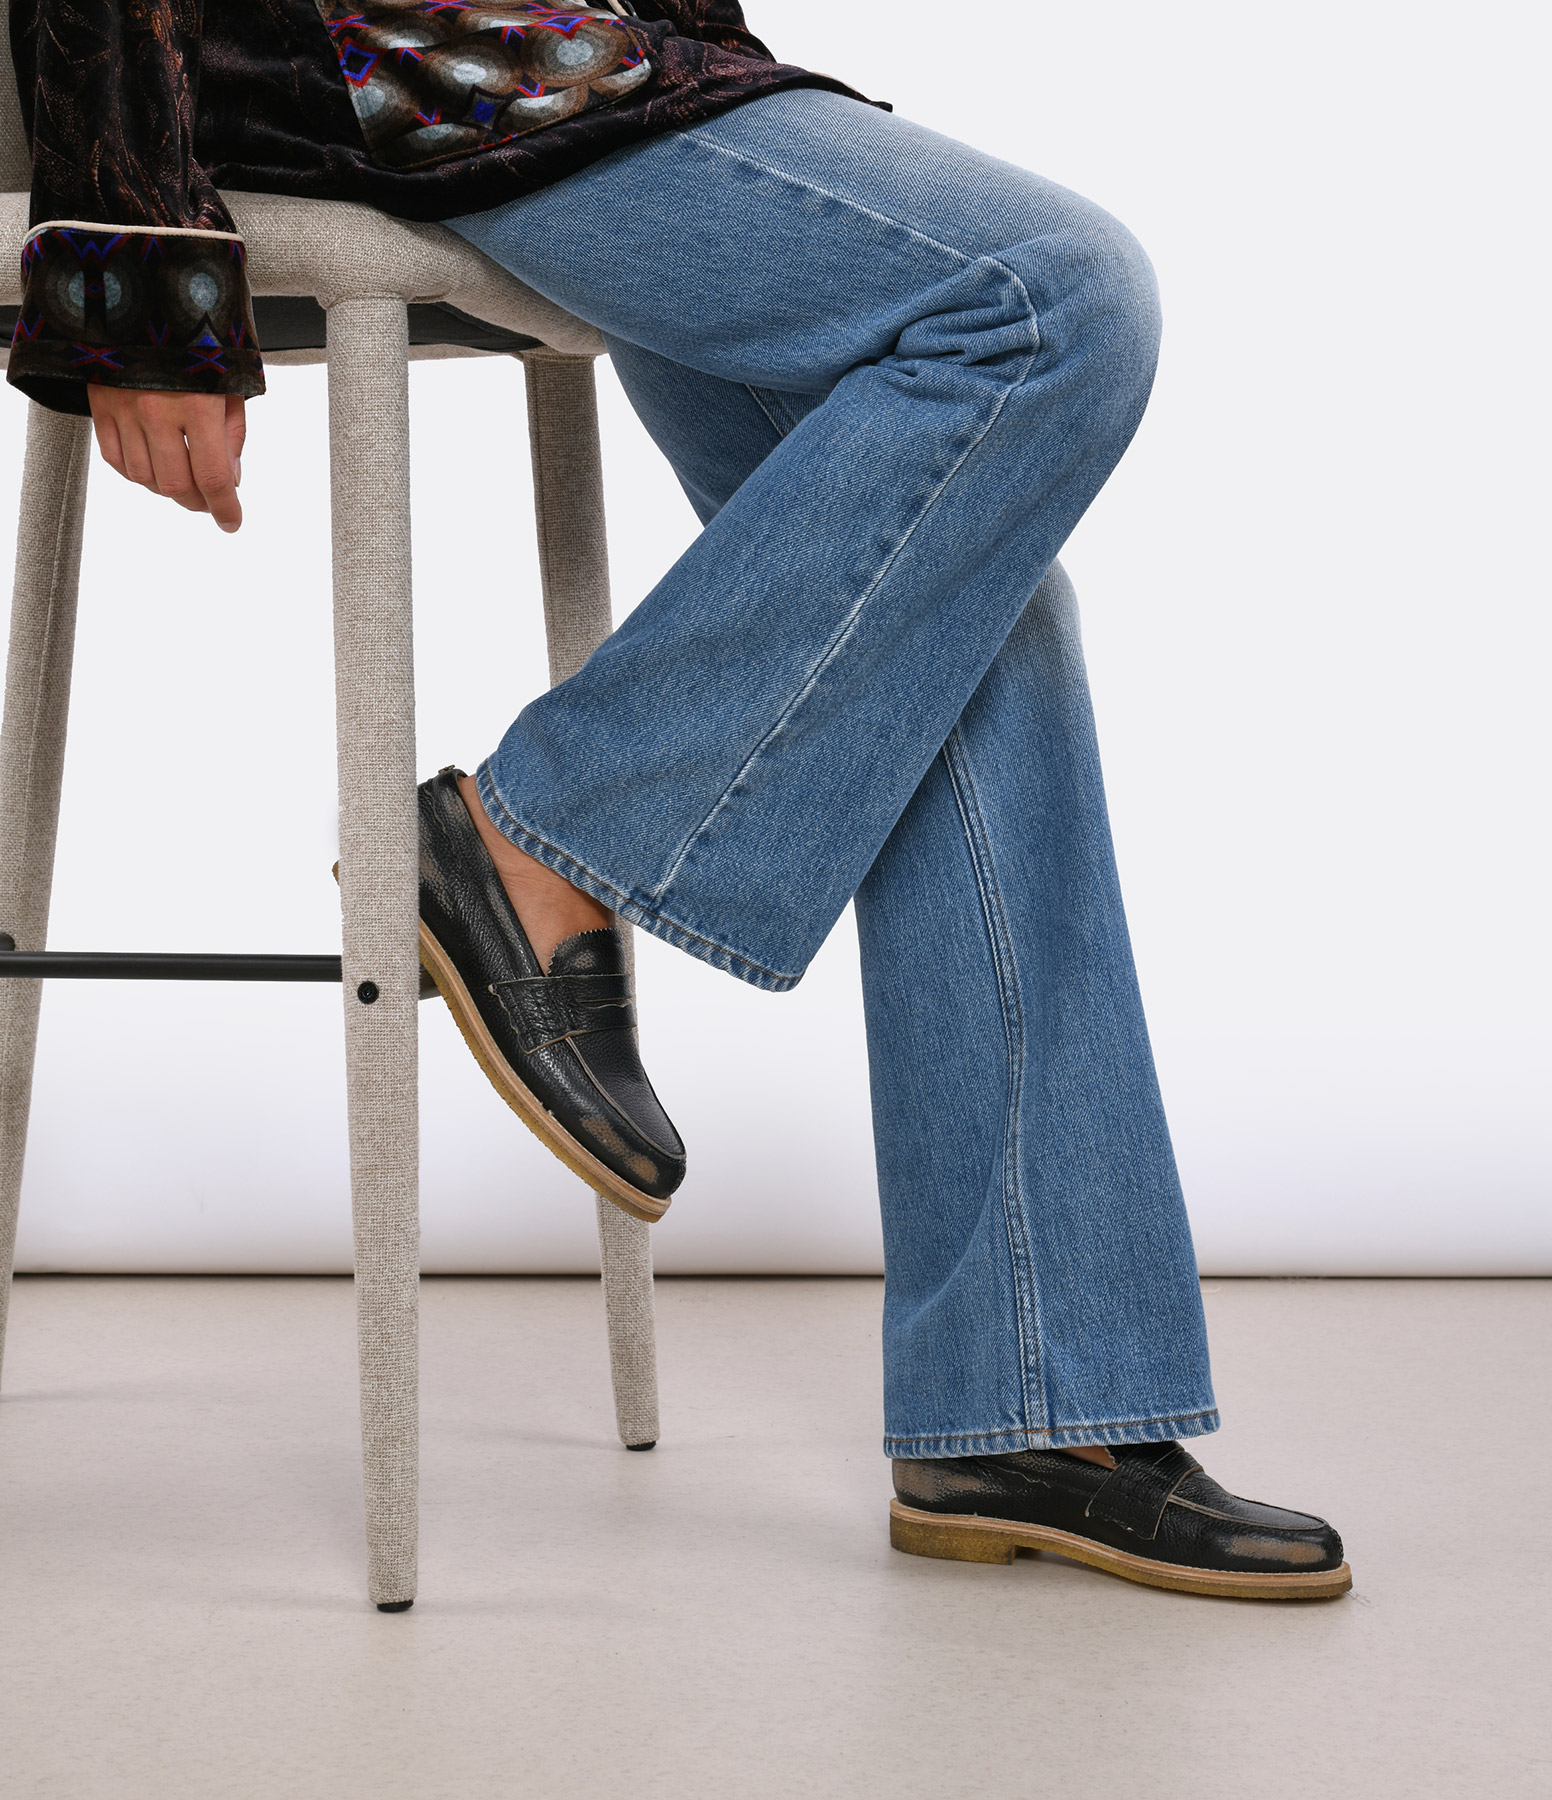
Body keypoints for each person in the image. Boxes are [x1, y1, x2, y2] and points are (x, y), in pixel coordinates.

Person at [6, 0, 1350, 1599]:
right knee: (1048, 296)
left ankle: (1034, 1407)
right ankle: (543, 839)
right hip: (389, 68)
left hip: (582, 69)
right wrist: (134, 268)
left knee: (964, 583)